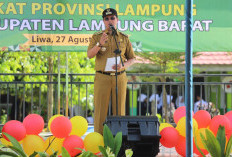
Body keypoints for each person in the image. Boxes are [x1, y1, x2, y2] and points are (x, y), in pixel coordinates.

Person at [87, 8, 136, 134]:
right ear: (103, 21)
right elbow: (89, 55)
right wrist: (99, 44)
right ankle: (98, 143)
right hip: (102, 77)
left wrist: (123, 65)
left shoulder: (124, 38)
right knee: (100, 111)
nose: (110, 21)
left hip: (119, 77)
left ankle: (119, 142)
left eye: (112, 18)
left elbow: (132, 58)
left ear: (117, 20)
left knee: (119, 111)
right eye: (107, 19)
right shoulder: (97, 36)